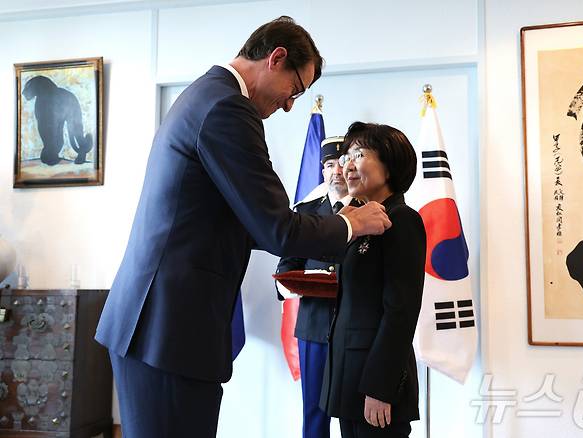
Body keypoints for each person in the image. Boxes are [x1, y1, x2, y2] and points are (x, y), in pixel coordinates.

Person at [94, 17, 391, 438]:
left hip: (159, 325)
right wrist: (349, 223)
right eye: (295, 89)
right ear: (276, 58)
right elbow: (276, 229)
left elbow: (246, 222)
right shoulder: (228, 108)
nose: (289, 105)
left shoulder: (206, 94)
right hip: (167, 329)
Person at [320, 122, 426, 438]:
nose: (347, 166)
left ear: (389, 166)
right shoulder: (359, 221)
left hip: (377, 387)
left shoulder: (402, 220)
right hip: (349, 377)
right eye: (346, 157)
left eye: (359, 154)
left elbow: (401, 312)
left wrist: (381, 387)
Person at [276, 135, 362, 438]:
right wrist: (297, 285)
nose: (336, 171)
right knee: (314, 414)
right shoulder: (305, 213)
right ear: (322, 170)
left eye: (343, 162)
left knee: (355, 416)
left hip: (356, 332)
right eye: (329, 164)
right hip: (314, 329)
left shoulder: (371, 209)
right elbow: (286, 267)